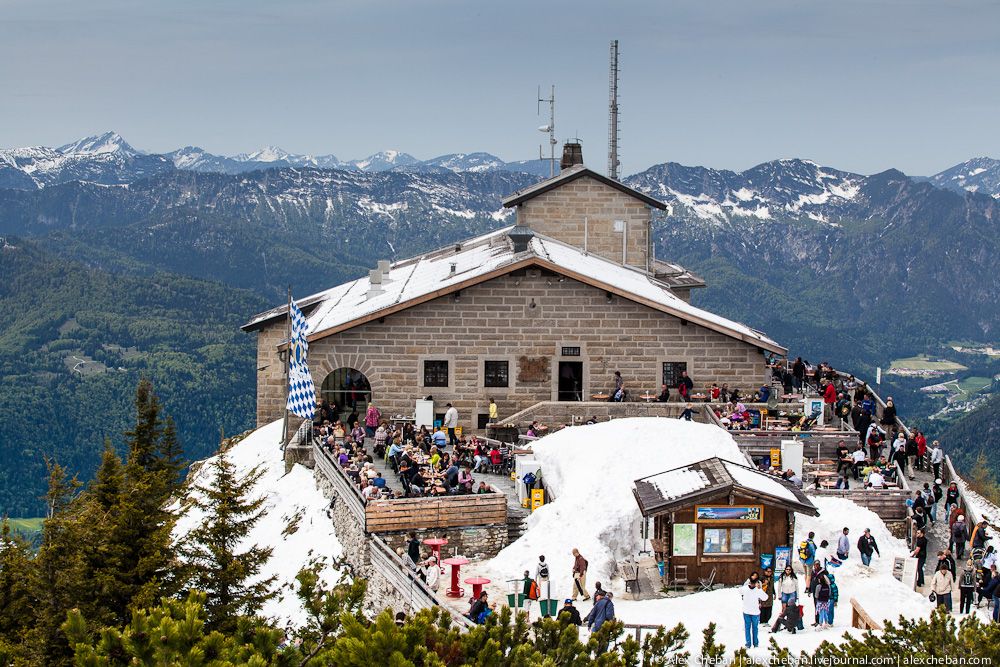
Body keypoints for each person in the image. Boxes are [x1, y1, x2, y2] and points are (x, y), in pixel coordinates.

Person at [740, 578, 767, 648]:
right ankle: (752, 643)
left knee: (751, 628)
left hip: (751, 612)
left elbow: (765, 597)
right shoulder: (754, 590)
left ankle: (752, 643)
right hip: (750, 612)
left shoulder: (753, 590)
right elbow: (765, 597)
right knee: (751, 628)